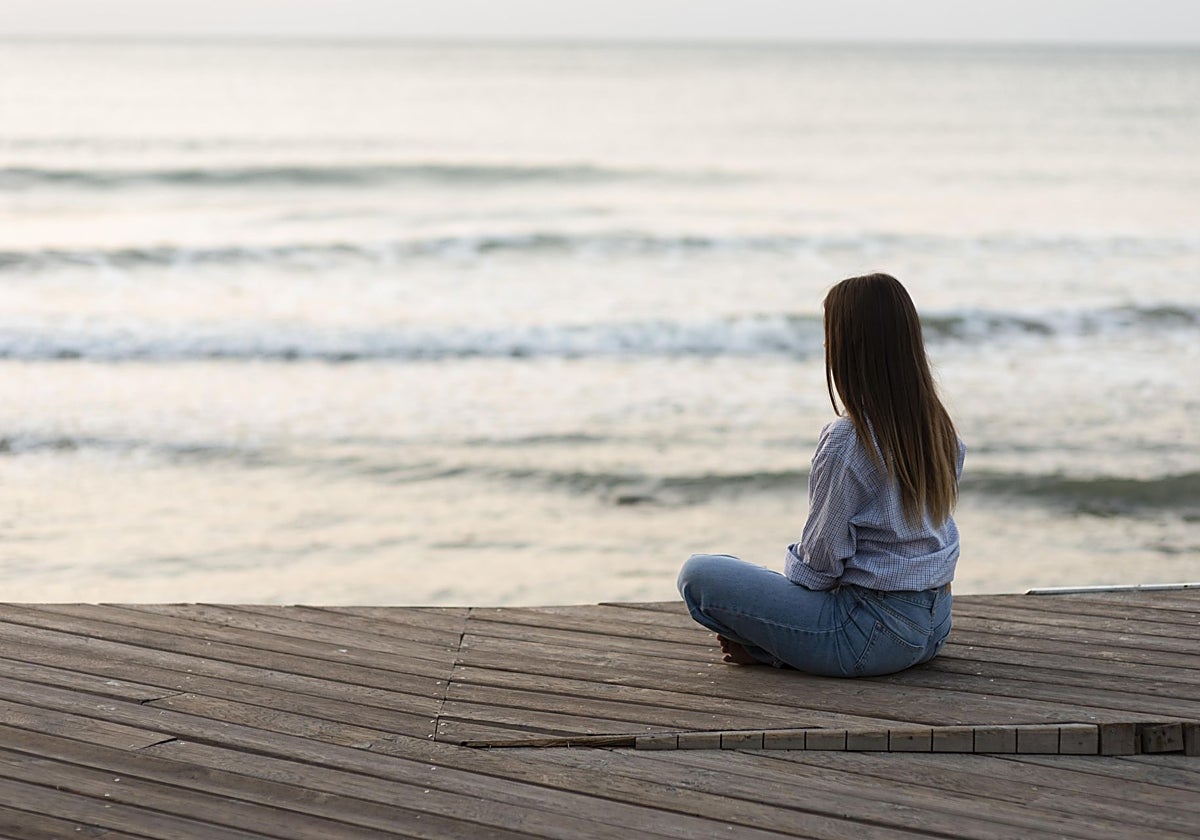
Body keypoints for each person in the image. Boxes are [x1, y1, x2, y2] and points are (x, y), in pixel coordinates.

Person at [677, 273, 964, 677]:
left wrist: (773, 603)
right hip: (934, 627)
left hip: (868, 636)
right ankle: (780, 647)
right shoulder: (938, 427)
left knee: (701, 573)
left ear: (848, 349)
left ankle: (772, 652)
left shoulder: (849, 438)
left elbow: (820, 566)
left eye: (830, 337)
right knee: (754, 583)